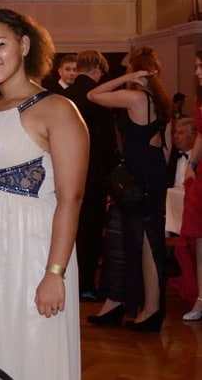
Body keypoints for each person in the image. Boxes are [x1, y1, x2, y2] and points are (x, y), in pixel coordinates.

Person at [0, 8, 86, 379]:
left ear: (25, 45)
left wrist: (54, 273)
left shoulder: (58, 109)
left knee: (32, 342)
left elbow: (70, 198)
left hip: (32, 248)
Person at [86, 45, 172, 332]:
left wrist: (127, 78)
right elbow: (165, 146)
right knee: (122, 238)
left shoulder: (135, 96)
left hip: (139, 179)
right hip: (148, 174)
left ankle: (151, 309)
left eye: (128, 70)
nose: (125, 74)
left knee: (144, 242)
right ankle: (116, 301)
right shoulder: (158, 99)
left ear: (138, 71)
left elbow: (93, 94)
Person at [62, 50, 117, 302]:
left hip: (65, 173)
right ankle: (84, 285)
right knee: (89, 233)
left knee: (68, 230)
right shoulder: (96, 98)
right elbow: (106, 143)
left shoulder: (64, 96)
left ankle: (66, 279)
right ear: (96, 68)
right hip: (92, 177)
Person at [177, 50, 202, 321]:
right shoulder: (199, 100)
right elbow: (200, 137)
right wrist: (191, 167)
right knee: (199, 239)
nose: (196, 72)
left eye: (200, 67)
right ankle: (200, 298)